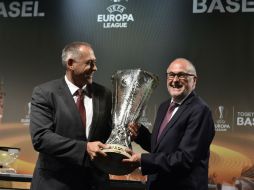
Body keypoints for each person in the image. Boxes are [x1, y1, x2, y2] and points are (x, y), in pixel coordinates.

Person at [29, 42, 112, 190]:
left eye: (95, 62)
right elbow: (41, 137)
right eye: (89, 63)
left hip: (94, 183)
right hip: (54, 183)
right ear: (70, 64)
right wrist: (84, 148)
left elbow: (110, 132)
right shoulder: (45, 93)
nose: (95, 68)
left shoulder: (104, 94)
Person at [126, 58, 215, 190]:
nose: (175, 80)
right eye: (171, 75)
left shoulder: (200, 111)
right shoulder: (164, 106)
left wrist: (143, 160)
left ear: (194, 80)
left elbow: (185, 159)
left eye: (182, 75)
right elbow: (160, 148)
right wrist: (140, 134)